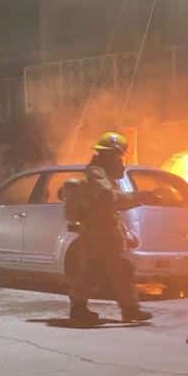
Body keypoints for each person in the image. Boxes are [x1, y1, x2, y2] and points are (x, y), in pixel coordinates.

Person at [63, 131, 157, 325]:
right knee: (98, 270)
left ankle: (128, 309)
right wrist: (140, 197)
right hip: (98, 234)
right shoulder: (96, 174)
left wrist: (124, 232)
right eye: (119, 157)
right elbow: (109, 199)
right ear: (110, 156)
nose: (122, 162)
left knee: (116, 269)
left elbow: (109, 208)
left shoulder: (102, 175)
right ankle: (81, 308)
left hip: (105, 232)